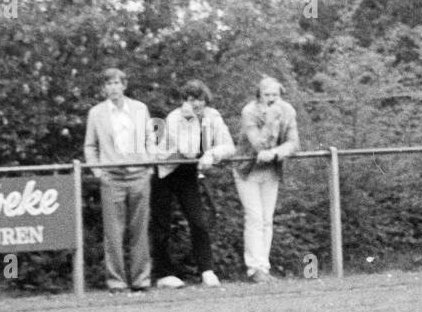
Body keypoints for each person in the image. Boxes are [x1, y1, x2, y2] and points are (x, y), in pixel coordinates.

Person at [153, 80, 236, 288]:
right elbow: (187, 150)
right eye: (190, 99)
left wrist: (212, 154)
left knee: (198, 221)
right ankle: (164, 274)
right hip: (166, 171)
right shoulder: (174, 118)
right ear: (184, 102)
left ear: (205, 100)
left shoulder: (213, 117)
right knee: (162, 224)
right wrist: (191, 121)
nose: (196, 104)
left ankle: (206, 270)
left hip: (188, 173)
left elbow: (228, 146)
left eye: (199, 99)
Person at [83, 67, 155, 293]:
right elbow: (90, 146)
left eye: (116, 83)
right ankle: (116, 282)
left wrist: (149, 166)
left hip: (139, 175)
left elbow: (150, 138)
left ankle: (141, 279)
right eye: (108, 84)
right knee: (113, 233)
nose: (113, 88)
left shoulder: (139, 108)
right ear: (104, 88)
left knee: (140, 230)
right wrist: (98, 172)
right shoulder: (96, 113)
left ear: (124, 85)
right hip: (111, 177)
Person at [236, 77, 299, 283]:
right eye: (267, 95)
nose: (272, 99)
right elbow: (259, 145)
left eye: (275, 95)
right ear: (259, 95)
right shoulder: (249, 112)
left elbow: (293, 143)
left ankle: (264, 265)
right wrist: (271, 120)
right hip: (248, 170)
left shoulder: (288, 111)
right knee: (254, 218)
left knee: (267, 220)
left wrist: (275, 153)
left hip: (270, 170)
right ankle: (254, 269)